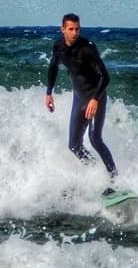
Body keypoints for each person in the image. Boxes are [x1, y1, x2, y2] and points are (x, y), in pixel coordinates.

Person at [45, 13, 117, 182]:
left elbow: (105, 77)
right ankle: (96, 173)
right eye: (70, 29)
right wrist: (49, 93)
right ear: (63, 29)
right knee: (74, 145)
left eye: (77, 29)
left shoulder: (88, 48)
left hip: (95, 98)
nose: (74, 32)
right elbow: (53, 67)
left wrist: (95, 100)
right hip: (79, 99)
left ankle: (115, 179)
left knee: (95, 139)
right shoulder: (58, 46)